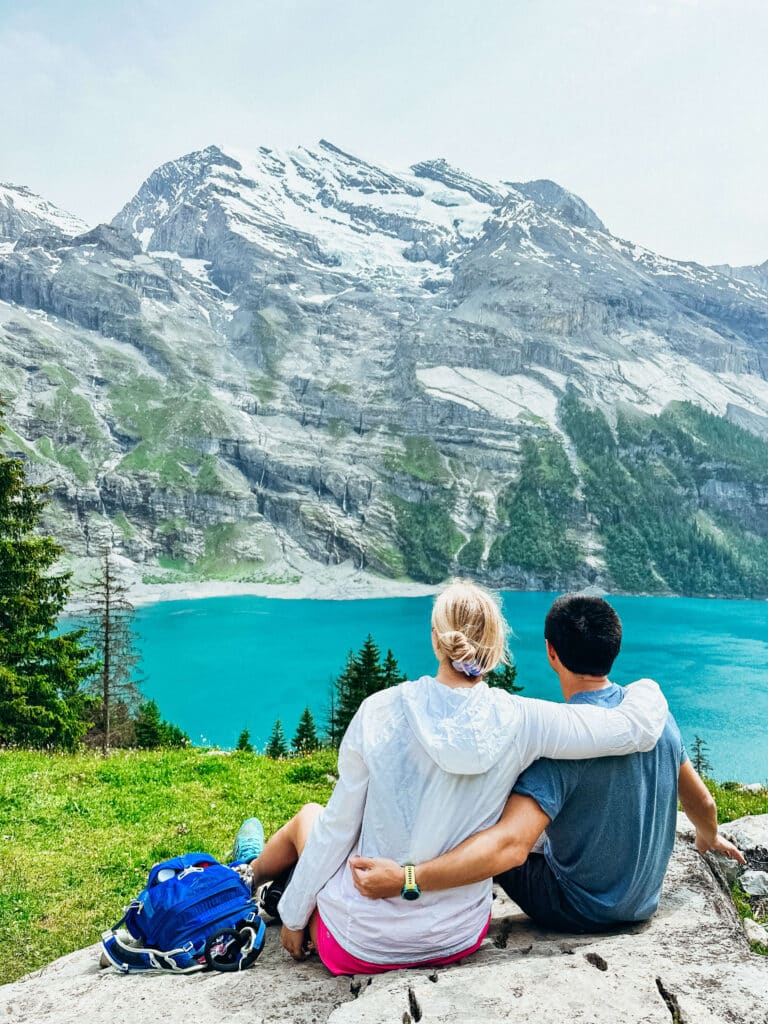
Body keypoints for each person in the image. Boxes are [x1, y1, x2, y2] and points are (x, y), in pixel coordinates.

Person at [232, 581, 670, 975]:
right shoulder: (525, 720)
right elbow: (631, 729)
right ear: (496, 649)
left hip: (359, 945)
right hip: (460, 939)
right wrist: (647, 688)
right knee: (315, 831)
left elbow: (337, 831)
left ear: (436, 640)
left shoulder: (380, 710)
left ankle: (248, 874)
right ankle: (253, 870)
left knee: (312, 816)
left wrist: (293, 919)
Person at [351, 594, 744, 932]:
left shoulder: (560, 750)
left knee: (486, 821)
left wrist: (406, 879)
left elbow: (509, 848)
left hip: (576, 909)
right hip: (643, 902)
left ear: (551, 652)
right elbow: (703, 805)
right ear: (614, 646)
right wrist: (707, 835)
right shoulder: (659, 719)